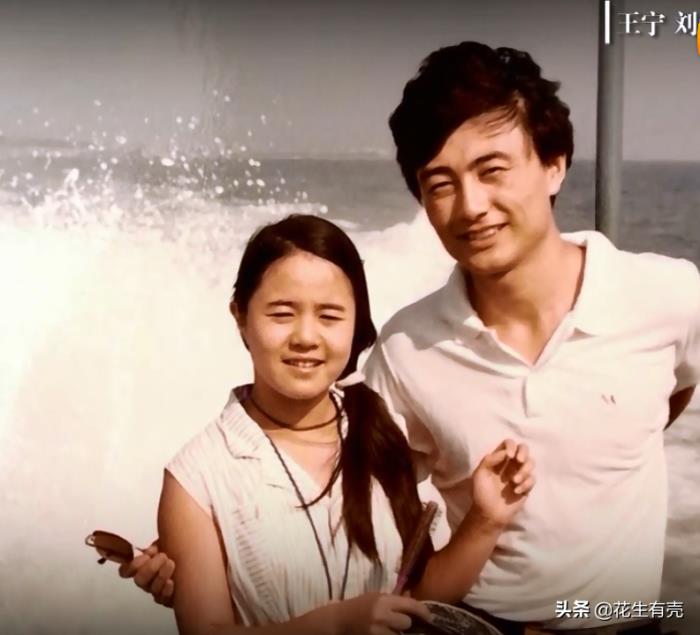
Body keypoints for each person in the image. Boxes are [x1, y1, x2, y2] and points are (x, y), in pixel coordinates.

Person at [123, 41, 700, 634]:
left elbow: (672, 394)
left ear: (554, 164)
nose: (471, 206)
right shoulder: (406, 350)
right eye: (440, 183)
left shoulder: (669, 296)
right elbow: (318, 462)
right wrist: (192, 555)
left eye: (492, 170)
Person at [123, 213, 534, 635]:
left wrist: (486, 519)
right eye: (282, 314)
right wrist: (333, 625)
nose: (306, 336)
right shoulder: (197, 478)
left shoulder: (378, 426)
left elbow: (417, 600)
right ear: (240, 317)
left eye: (330, 316)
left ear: (356, 323)